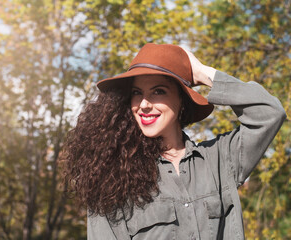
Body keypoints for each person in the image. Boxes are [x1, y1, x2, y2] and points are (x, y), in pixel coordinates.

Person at [64, 43, 286, 240]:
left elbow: (269, 113)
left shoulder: (220, 160)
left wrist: (202, 72)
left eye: (158, 91)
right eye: (136, 93)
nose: (144, 104)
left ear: (182, 99)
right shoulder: (111, 180)